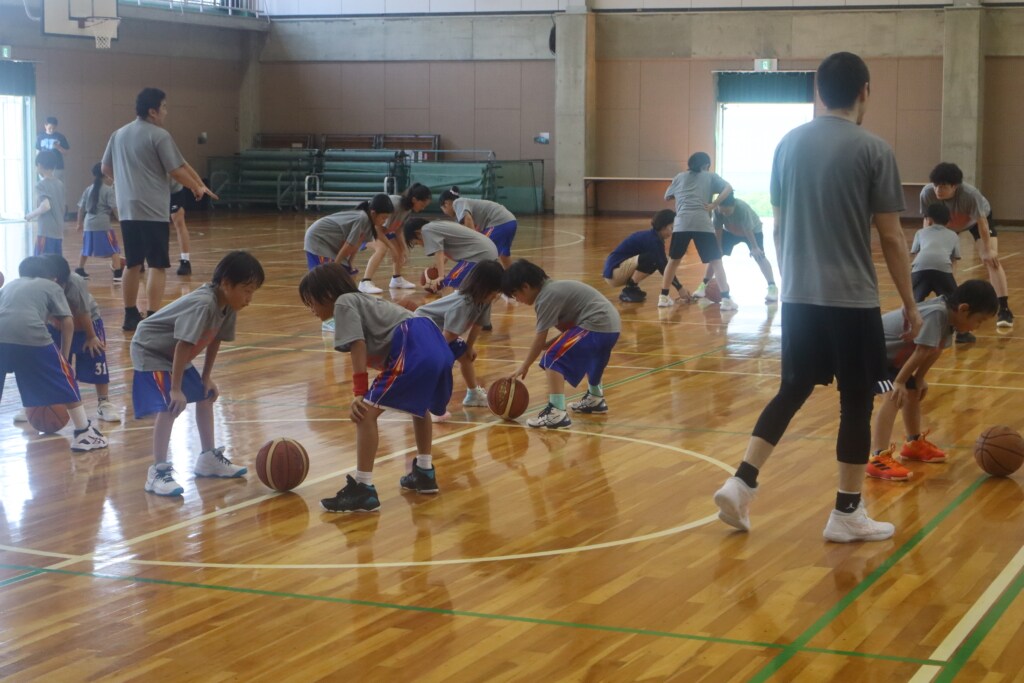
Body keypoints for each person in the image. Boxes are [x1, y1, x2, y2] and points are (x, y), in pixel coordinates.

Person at [711, 51, 922, 543]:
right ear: (865, 91)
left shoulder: (786, 145)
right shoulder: (875, 150)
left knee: (792, 389)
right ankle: (846, 513)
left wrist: (792, 284)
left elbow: (779, 227)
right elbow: (892, 238)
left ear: (818, 92)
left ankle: (741, 481)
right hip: (852, 300)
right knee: (856, 402)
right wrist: (910, 304)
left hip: (800, 297)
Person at [299, 263, 456, 513]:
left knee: (365, 414)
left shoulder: (343, 303)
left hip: (413, 342)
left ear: (327, 294)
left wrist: (359, 392)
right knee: (420, 407)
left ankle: (363, 489)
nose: (311, 309)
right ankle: (424, 472)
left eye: (310, 302)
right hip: (432, 339)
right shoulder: (364, 302)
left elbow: (358, 344)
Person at [130, 251, 264, 496]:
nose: (249, 298)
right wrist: (175, 388)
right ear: (225, 284)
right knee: (170, 404)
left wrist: (206, 377)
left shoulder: (228, 306)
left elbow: (215, 340)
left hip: (174, 352)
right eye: (247, 290)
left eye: (253, 291)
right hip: (151, 350)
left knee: (205, 395)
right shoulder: (204, 303)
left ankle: (207, 459)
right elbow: (183, 344)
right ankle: (157, 471)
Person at [102, 87, 217, 332]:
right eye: (164, 107)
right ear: (152, 111)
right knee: (156, 264)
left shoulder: (118, 134)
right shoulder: (159, 135)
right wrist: (196, 187)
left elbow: (106, 168)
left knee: (132, 263)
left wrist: (126, 184)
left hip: (127, 209)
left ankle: (130, 315)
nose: (166, 111)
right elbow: (176, 169)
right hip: (152, 208)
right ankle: (153, 315)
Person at [866, 280, 998, 481]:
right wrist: (900, 382)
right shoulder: (937, 313)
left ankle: (913, 443)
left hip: (891, 360)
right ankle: (877, 457)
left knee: (911, 391)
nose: (977, 327)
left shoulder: (949, 318)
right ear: (964, 309)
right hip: (869, 355)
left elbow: (934, 350)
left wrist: (918, 379)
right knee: (894, 395)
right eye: (979, 321)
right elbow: (922, 350)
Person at [0, 256, 108, 452]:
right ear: (54, 277)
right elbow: (67, 321)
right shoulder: (53, 286)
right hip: (31, 334)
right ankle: (84, 433)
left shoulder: (12, 284)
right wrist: (64, 359)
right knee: (64, 379)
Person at [504, 259, 621, 430]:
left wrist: (524, 365)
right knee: (592, 357)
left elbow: (539, 339)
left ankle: (557, 412)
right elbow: (569, 330)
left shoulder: (546, 297)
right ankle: (595, 398)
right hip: (611, 327)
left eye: (515, 295)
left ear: (526, 286)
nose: (517, 300)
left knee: (552, 358)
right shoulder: (554, 288)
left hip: (595, 325)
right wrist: (552, 343)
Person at [919, 162, 1013, 332]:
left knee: (991, 260)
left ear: (955, 186)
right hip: (947, 223)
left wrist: (988, 249)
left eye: (943, 186)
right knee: (945, 261)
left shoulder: (970, 195)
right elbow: (928, 221)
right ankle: (950, 307)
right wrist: (927, 246)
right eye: (936, 185)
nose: (938, 190)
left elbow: (982, 222)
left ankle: (1004, 309)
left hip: (974, 221)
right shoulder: (927, 193)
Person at [414, 260, 504, 412]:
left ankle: (473, 394)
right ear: (484, 288)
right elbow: (447, 336)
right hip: (422, 326)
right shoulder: (463, 304)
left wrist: (469, 346)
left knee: (465, 355)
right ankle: (429, 403)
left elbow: (478, 324)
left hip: (443, 331)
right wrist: (434, 357)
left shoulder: (485, 301)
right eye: (495, 291)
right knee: (440, 364)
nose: (497, 295)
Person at [42, 254, 122, 423]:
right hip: (57, 324)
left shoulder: (75, 281)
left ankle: (104, 403)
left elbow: (83, 312)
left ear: (57, 277)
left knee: (97, 359)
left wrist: (92, 336)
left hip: (87, 323)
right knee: (55, 363)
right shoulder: (40, 283)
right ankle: (43, 404)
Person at [659, 152, 736, 310]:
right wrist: (714, 204)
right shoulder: (710, 176)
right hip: (702, 223)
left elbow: (667, 196)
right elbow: (728, 187)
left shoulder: (679, 176)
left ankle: (663, 297)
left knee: (673, 261)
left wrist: (683, 196)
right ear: (706, 165)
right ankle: (726, 299)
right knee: (716, 261)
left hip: (682, 224)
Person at [602, 209, 689, 303]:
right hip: (614, 273)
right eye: (671, 228)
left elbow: (663, 265)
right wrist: (680, 288)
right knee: (654, 258)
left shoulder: (652, 237)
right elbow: (664, 268)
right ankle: (630, 288)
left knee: (657, 259)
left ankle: (632, 287)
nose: (672, 233)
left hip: (615, 271)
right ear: (663, 226)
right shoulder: (653, 241)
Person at [361, 183, 432, 292]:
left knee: (400, 250)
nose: (423, 208)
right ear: (414, 199)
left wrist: (404, 248)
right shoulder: (394, 203)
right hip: (367, 229)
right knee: (382, 249)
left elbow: (398, 230)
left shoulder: (408, 209)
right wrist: (392, 247)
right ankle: (365, 282)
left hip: (382, 231)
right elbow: (378, 229)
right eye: (422, 205)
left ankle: (396, 279)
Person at [403, 217, 499, 293]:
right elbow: (445, 249)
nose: (420, 245)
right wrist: (440, 265)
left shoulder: (426, 230)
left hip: (479, 254)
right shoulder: (436, 225)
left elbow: (439, 252)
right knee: (470, 289)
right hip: (489, 251)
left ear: (418, 233)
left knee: (448, 284)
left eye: (416, 243)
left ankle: (446, 316)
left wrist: (441, 277)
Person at [711, 195, 778, 304]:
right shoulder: (717, 210)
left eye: (727, 212)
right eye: (722, 212)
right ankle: (703, 285)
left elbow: (748, 229)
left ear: (733, 206)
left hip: (752, 231)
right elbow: (718, 228)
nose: (724, 214)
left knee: (759, 256)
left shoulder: (742, 209)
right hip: (730, 231)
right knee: (715, 256)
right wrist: (718, 247)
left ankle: (772, 287)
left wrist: (755, 248)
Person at [438, 187, 518, 269]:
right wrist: (441, 264)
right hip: (510, 221)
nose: (445, 213)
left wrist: (474, 242)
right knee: (503, 254)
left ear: (446, 203)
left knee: (481, 252)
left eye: (443, 210)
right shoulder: (467, 209)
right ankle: (513, 279)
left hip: (500, 222)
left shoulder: (457, 202)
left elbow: (468, 219)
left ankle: (489, 279)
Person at [76, 162, 122, 282]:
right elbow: (114, 208)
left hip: (88, 224)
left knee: (86, 248)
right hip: (102, 225)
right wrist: (121, 220)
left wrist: (79, 223)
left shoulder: (88, 189)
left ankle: (79, 270)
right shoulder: (108, 190)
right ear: (106, 174)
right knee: (114, 249)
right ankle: (118, 273)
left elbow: (81, 208)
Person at [25, 151, 66, 257]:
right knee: (55, 265)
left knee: (40, 264)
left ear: (40, 165)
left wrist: (30, 215)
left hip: (46, 232)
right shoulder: (60, 184)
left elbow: (46, 206)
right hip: (58, 231)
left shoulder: (41, 185)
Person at [36, 116, 70, 183]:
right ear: (45, 126)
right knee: (44, 186)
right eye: (50, 128)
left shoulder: (60, 137)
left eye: (54, 128)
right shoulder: (40, 137)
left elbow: (66, 153)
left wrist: (58, 147)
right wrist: (37, 165)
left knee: (55, 186)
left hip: (57, 167)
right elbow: (38, 152)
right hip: (44, 166)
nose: (52, 130)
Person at [170, 182, 193, 276]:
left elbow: (183, 168)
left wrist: (195, 185)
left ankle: (185, 260)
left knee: (179, 221)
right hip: (153, 189)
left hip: (173, 190)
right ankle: (140, 260)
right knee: (150, 224)